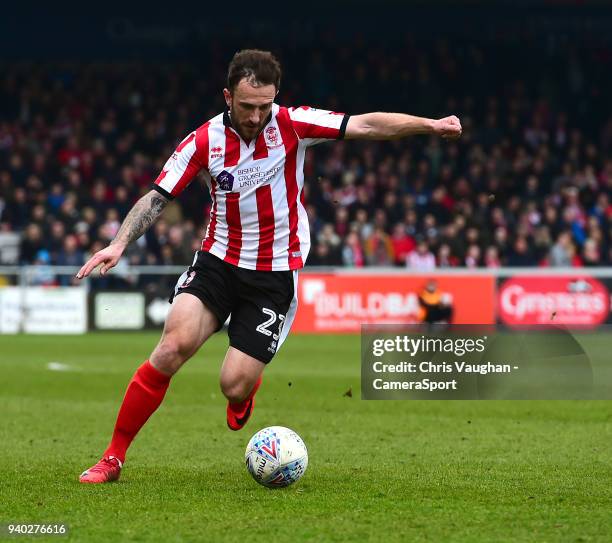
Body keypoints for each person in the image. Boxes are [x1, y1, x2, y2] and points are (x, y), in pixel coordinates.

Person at [76, 49, 462, 483]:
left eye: (264, 106)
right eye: (247, 106)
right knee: (171, 347)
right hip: (218, 261)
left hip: (275, 273)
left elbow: (365, 124)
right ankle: (113, 457)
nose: (257, 116)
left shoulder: (292, 123)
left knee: (233, 384)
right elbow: (157, 197)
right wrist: (119, 243)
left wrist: (429, 125)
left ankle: (243, 395)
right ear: (228, 96)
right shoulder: (203, 142)